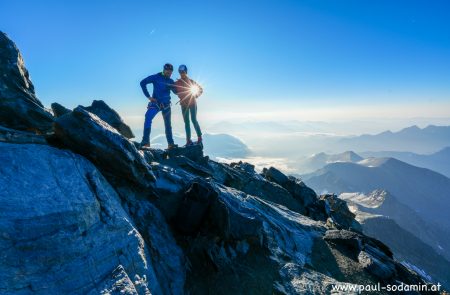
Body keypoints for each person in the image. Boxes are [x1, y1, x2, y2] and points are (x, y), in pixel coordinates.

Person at [139, 63, 178, 149]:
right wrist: (149, 97)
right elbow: (142, 83)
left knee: (168, 124)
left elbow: (176, 92)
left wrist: (182, 87)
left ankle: (170, 144)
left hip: (166, 105)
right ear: (164, 70)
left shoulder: (170, 81)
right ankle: (146, 141)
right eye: (168, 72)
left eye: (171, 73)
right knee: (148, 117)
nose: (169, 74)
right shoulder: (156, 77)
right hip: (156, 104)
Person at [174, 65, 203, 146]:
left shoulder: (191, 81)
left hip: (192, 103)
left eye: (183, 72)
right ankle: (188, 140)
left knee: (193, 120)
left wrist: (195, 96)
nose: (182, 73)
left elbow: (200, 89)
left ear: (186, 72)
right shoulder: (177, 83)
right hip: (184, 105)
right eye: (180, 72)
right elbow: (173, 89)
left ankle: (199, 137)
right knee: (186, 122)